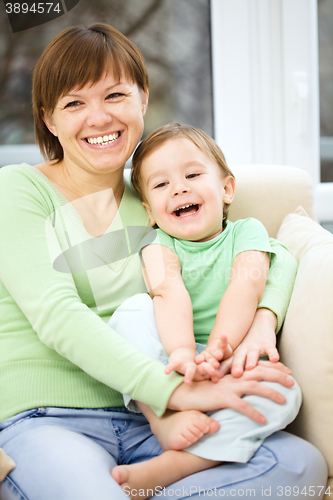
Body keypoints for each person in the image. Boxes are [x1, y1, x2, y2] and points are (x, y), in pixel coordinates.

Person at [0, 23, 327, 500]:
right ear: (49, 119)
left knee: (299, 466)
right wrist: (175, 392)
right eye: (74, 103)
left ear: (142, 100)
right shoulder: (18, 190)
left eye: (115, 95)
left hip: (153, 424)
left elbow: (264, 255)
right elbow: (55, 314)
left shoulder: (160, 197)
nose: (98, 117)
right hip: (48, 417)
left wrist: (263, 319)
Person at [107, 123, 302, 496]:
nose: (179, 187)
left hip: (231, 359)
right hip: (170, 362)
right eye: (161, 184)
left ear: (227, 188)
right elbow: (169, 293)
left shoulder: (248, 233)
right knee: (130, 314)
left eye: (192, 174)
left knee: (286, 393)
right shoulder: (157, 243)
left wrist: (219, 348)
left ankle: (183, 463)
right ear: (149, 211)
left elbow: (246, 287)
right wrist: (182, 353)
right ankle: (163, 419)